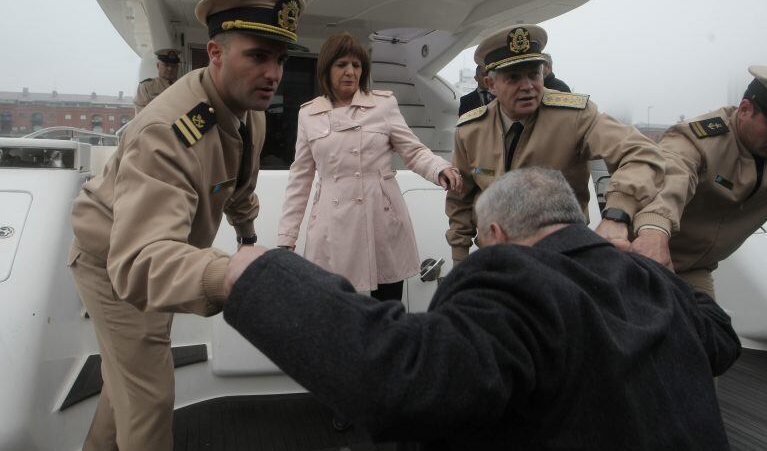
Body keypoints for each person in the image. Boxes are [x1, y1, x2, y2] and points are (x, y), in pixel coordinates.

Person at [222, 167, 740, 450]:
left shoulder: (519, 277)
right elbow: (721, 339)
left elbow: (405, 380)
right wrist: (649, 265)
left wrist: (261, 276)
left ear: (495, 235)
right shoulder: (649, 281)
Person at [66, 0, 307, 451]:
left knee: (126, 385)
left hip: (156, 254)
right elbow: (138, 263)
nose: (273, 74)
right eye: (258, 56)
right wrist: (233, 274)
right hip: (115, 264)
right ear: (214, 53)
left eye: (280, 60)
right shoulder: (168, 131)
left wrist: (248, 238)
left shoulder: (248, 109)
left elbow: (238, 185)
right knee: (150, 398)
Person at [446, 24, 669, 265]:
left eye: (534, 74)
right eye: (513, 78)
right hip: (497, 261)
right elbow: (461, 199)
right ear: (490, 84)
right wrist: (460, 258)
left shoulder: (574, 117)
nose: (528, 86)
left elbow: (642, 153)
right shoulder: (470, 130)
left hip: (561, 261)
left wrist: (617, 214)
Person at [277, 32, 461, 301]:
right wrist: (287, 236)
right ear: (326, 70)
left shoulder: (383, 105)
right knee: (336, 304)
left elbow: (413, 150)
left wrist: (439, 168)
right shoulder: (308, 113)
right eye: (341, 65)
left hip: (380, 216)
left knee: (387, 302)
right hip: (332, 221)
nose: (350, 72)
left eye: (356, 65)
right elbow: (300, 177)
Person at [631, 65, 767, 298]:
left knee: (710, 330)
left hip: (695, 269)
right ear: (745, 110)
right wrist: (654, 228)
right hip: (645, 256)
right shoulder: (699, 139)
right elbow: (670, 176)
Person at [133, 48, 181, 114]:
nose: (170, 69)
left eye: (173, 66)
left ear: (177, 67)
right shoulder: (146, 87)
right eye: (166, 65)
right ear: (158, 66)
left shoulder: (185, 86)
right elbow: (142, 115)